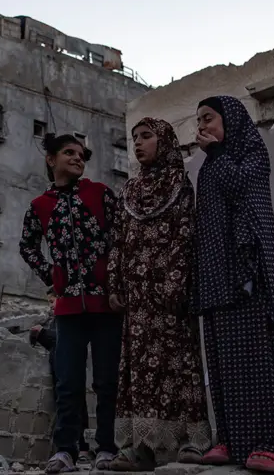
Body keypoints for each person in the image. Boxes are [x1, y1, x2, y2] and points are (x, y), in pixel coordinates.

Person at [193, 96, 274, 473]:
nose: (202, 127)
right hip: (217, 279)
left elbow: (243, 191)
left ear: (231, 119)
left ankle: (273, 445)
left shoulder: (251, 155)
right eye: (199, 121)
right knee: (225, 362)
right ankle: (230, 439)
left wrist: (219, 154)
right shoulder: (209, 167)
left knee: (262, 357)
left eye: (209, 118)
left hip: (252, 274)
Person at [106, 118, 212, 471]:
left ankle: (190, 442)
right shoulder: (130, 191)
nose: (138, 143)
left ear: (164, 141)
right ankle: (141, 448)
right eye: (135, 138)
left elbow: (185, 236)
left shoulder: (180, 185)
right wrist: (115, 284)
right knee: (140, 373)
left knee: (178, 367)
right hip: (137, 301)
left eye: (147, 137)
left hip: (169, 299)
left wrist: (175, 284)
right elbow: (118, 242)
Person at [20, 133, 122, 474]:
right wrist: (52, 276)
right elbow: (28, 247)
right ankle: (66, 449)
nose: (78, 158)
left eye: (81, 154)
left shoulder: (101, 194)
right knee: (68, 380)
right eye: (69, 152)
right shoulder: (40, 206)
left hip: (106, 304)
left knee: (107, 379)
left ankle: (107, 447)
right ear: (51, 160)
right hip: (66, 308)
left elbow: (121, 237)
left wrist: (113, 276)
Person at [30, 304, 92, 466]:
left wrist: (40, 332)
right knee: (67, 397)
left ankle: (82, 448)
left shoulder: (72, 318)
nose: (50, 304)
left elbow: (60, 338)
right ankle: (73, 449)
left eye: (53, 300)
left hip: (69, 368)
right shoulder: (56, 320)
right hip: (60, 371)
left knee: (74, 396)